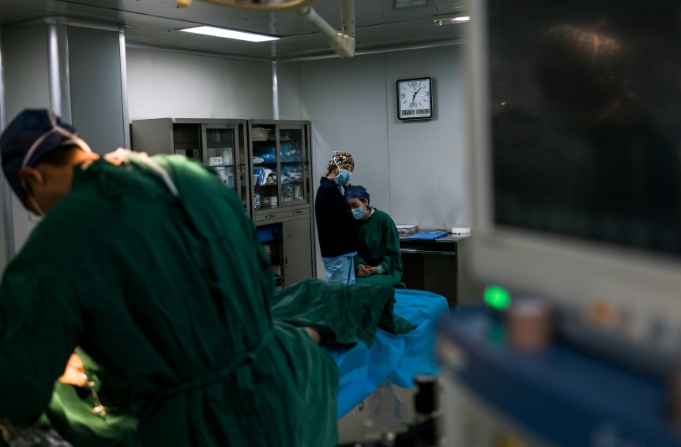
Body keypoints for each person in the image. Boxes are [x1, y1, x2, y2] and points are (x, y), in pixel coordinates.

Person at [0, 110, 408, 447]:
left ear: (32, 179)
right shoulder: (184, 176)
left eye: (34, 206)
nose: (42, 214)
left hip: (198, 426)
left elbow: (20, 391)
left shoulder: (53, 246)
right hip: (287, 387)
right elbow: (258, 276)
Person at [345, 185, 404, 287]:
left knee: (364, 287)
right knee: (345, 285)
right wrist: (359, 265)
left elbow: (395, 255)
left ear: (366, 202)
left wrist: (378, 269)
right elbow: (350, 251)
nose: (352, 210)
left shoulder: (384, 220)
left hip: (388, 270)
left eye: (355, 205)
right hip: (363, 271)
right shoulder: (351, 222)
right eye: (349, 207)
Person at [315, 150, 357, 285]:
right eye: (345, 168)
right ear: (334, 168)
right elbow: (344, 217)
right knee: (341, 292)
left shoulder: (333, 188)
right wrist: (348, 191)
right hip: (337, 251)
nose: (348, 172)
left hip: (341, 251)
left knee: (347, 290)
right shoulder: (329, 190)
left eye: (351, 170)